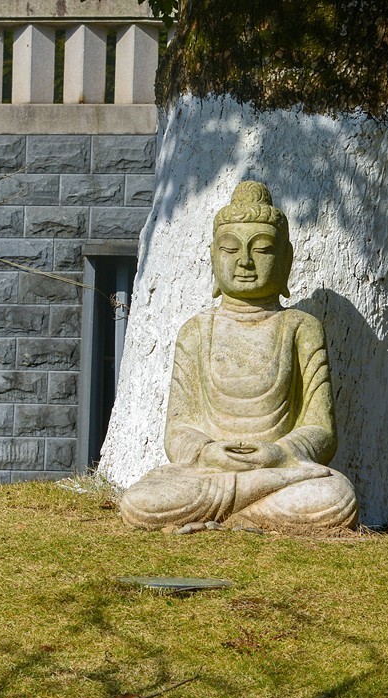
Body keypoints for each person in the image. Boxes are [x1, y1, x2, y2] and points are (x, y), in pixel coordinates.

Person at [120, 181, 359, 530]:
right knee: (140, 504)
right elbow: (179, 428)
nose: (245, 262)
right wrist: (206, 452)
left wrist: (279, 453)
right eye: (231, 250)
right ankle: (250, 515)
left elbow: (320, 429)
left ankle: (238, 519)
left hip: (274, 473)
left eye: (262, 250)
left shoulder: (300, 328)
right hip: (209, 475)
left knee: (337, 497)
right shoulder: (197, 331)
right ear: (213, 257)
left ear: (286, 259)